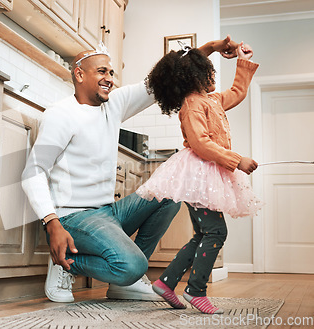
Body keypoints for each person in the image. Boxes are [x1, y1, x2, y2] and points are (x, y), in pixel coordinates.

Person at [21, 37, 241, 303]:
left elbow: (164, 76)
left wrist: (211, 48)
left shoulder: (114, 104)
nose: (109, 78)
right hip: (73, 218)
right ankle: (67, 263)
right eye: (101, 71)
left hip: (108, 212)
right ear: (79, 74)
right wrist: (52, 223)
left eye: (111, 72)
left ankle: (124, 283)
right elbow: (33, 172)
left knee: (169, 193)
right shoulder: (61, 114)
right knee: (133, 265)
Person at [136, 42, 263, 314]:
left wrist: (243, 62)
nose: (214, 77)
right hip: (198, 174)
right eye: (209, 72)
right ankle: (195, 290)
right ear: (194, 77)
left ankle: (166, 282)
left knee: (205, 233)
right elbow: (200, 143)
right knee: (216, 232)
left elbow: (238, 92)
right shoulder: (192, 104)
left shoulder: (213, 100)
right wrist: (236, 160)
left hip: (207, 174)